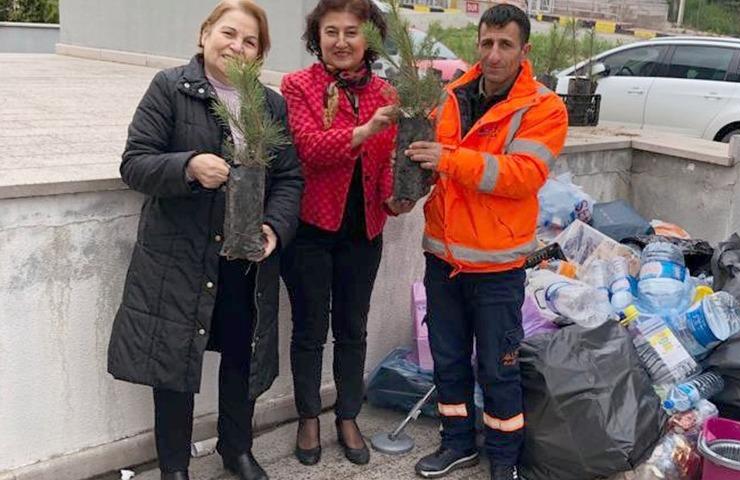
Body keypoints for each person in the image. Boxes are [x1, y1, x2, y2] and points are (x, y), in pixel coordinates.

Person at [106, 2, 303, 479]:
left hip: (245, 260)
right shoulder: (170, 89)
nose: (237, 45)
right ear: (205, 34)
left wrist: (274, 227)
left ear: (258, 54)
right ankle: (174, 465)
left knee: (242, 356)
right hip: (179, 257)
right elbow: (134, 162)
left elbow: (289, 178)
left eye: (250, 41)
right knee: (174, 366)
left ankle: (237, 450)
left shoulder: (270, 104)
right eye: (228, 33)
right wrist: (189, 166)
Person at [406, 4, 568, 480]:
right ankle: (456, 443)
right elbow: (427, 166)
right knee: (449, 361)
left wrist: (449, 159)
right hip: (442, 258)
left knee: (499, 369)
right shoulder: (452, 95)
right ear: (478, 44)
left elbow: (521, 176)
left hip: (497, 268)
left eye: (505, 45)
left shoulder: (543, 108)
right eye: (487, 43)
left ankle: (504, 458)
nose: (494, 55)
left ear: (524, 50)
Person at [279, 0, 413, 467]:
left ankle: (348, 415)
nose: (340, 42)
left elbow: (391, 161)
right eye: (330, 32)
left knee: (353, 328)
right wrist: (362, 130)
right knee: (310, 330)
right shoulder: (298, 85)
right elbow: (308, 148)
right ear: (317, 38)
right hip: (311, 229)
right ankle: (309, 416)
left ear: (369, 39)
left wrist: (400, 198)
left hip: (364, 231)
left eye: (351, 32)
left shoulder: (386, 92)